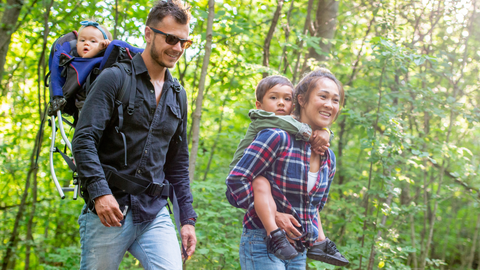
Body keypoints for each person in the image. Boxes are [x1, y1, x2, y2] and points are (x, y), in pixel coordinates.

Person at [72, 1, 197, 269]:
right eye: (171, 39)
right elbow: (84, 139)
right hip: (108, 210)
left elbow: (178, 162)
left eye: (184, 43)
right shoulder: (114, 78)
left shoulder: (179, 95)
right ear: (149, 34)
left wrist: (187, 218)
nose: (177, 48)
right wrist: (99, 193)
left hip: (154, 213)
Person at [226, 68, 349, 269]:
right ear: (301, 100)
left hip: (298, 250)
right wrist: (274, 216)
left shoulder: (328, 157)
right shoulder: (276, 137)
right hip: (263, 241)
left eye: (335, 100)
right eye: (323, 96)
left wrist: (316, 238)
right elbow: (235, 182)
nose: (329, 104)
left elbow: (314, 207)